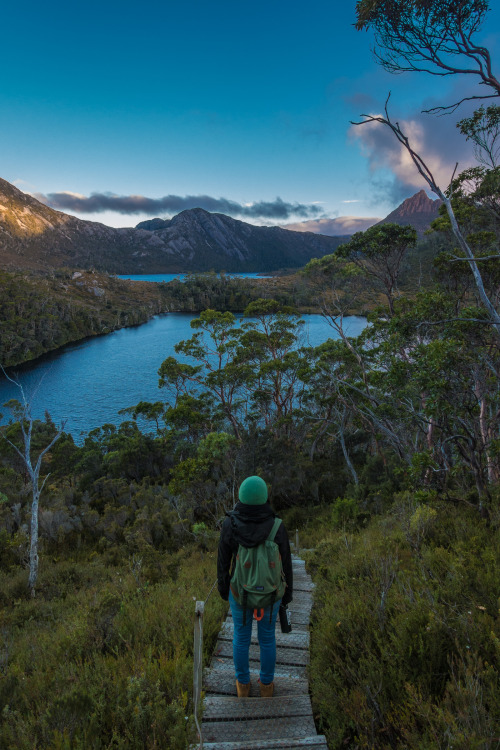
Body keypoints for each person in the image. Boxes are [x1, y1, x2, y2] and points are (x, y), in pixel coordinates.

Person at [217, 475, 293, 698]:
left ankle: (243, 686)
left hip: (240, 593)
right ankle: (266, 687)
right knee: (267, 638)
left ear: (241, 497)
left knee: (240, 638)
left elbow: (222, 562)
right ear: (263, 498)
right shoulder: (277, 526)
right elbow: (286, 563)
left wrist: (224, 590)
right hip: (271, 595)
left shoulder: (230, 525)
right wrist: (286, 595)